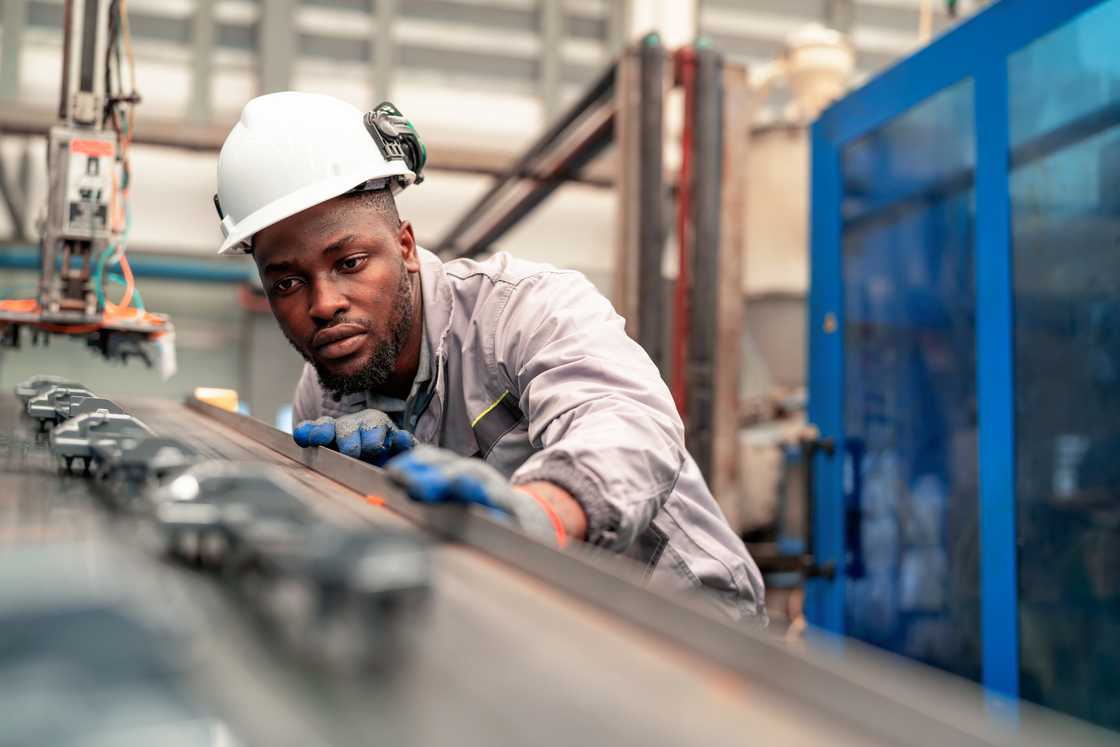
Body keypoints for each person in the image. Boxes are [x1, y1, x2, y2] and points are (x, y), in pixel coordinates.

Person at [214, 92, 764, 622]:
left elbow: (627, 422)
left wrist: (541, 509)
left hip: (680, 615)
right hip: (530, 621)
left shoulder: (523, 309)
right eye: (287, 282)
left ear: (405, 246)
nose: (323, 303)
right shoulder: (324, 391)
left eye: (351, 262)